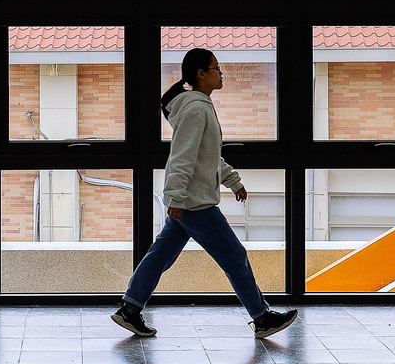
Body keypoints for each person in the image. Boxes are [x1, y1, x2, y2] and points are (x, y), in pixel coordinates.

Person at [112, 48, 298, 339]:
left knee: (160, 256)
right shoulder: (196, 108)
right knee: (235, 256)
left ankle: (130, 308)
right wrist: (175, 196)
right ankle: (262, 318)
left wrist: (232, 180)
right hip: (195, 204)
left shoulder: (199, 106)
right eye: (216, 68)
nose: (220, 72)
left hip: (188, 202)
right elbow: (182, 156)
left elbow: (207, 156)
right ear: (200, 74)